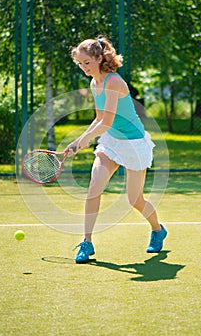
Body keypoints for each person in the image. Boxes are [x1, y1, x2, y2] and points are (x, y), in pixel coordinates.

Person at [66, 36, 167, 263]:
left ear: (99, 58)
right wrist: (80, 140)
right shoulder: (94, 83)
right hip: (111, 142)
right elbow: (99, 118)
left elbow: (108, 121)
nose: (84, 68)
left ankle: (158, 230)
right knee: (94, 188)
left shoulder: (113, 82)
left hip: (133, 144)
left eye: (87, 63)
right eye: (80, 64)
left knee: (135, 200)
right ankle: (87, 242)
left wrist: (84, 139)